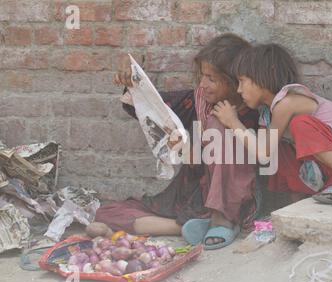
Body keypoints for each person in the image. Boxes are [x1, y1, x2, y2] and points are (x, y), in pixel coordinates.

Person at [86, 34, 261, 250]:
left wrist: (221, 135)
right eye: (202, 76)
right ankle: (189, 227)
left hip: (232, 198)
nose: (203, 85)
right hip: (192, 196)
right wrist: (131, 80)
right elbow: (153, 109)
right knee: (106, 213)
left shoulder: (253, 113)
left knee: (217, 126)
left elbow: (261, 160)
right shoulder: (196, 101)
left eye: (212, 79)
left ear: (234, 82)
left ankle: (222, 219)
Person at [212, 43, 332, 204]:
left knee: (300, 124)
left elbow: (262, 153)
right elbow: (264, 151)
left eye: (242, 81)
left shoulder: (288, 103)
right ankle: (298, 200)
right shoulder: (266, 113)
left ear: (263, 77)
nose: (238, 90)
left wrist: (233, 122)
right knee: (279, 148)